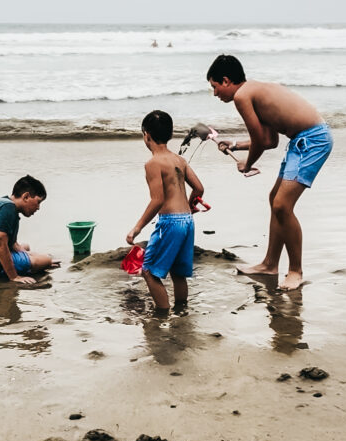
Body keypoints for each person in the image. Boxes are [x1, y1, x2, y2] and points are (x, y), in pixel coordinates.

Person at [207, 54, 333, 290]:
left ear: (225, 80)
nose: (215, 94)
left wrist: (246, 163)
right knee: (274, 200)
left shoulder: (242, 95)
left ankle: (296, 271)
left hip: (313, 140)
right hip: (300, 141)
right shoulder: (253, 90)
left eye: (214, 87)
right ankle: (269, 264)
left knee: (282, 206)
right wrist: (234, 145)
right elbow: (269, 140)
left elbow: (258, 140)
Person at [126, 110, 204, 311]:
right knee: (178, 272)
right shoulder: (179, 160)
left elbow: (157, 200)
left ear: (146, 134)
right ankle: (181, 309)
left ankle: (163, 313)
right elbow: (199, 188)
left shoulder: (153, 163)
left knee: (149, 271)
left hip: (169, 222)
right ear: (169, 135)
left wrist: (137, 228)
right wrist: (189, 205)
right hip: (187, 221)